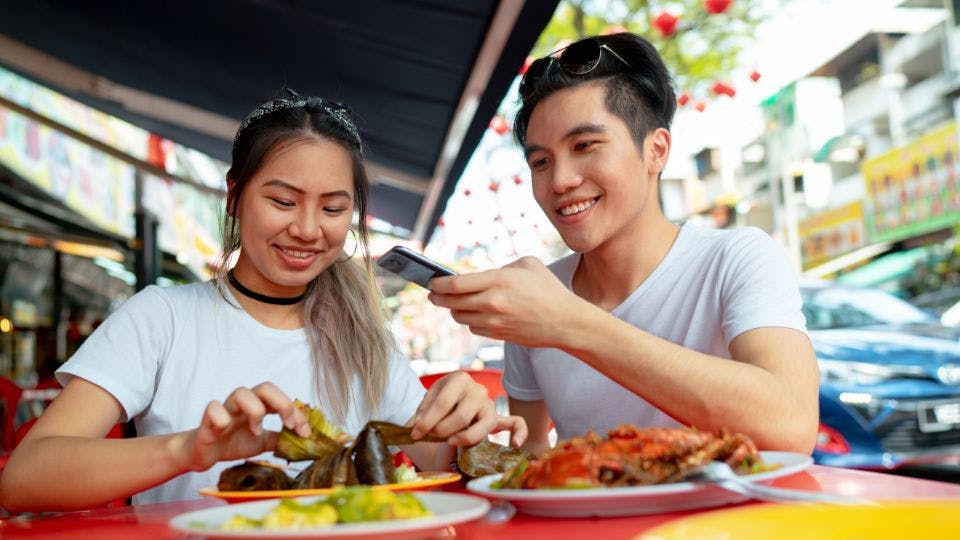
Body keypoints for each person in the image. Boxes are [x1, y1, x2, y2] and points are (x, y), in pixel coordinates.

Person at [0, 91, 525, 512]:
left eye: (333, 208)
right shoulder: (161, 318)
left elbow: (438, 455)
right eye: (282, 200)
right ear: (234, 195)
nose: (306, 229)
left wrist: (465, 425)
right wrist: (190, 450)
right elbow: (24, 480)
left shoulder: (363, 336)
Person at [427, 33, 818, 455]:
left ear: (655, 150)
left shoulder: (735, 257)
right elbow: (531, 451)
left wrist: (569, 323)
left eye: (585, 146)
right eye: (541, 162)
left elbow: (792, 424)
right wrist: (465, 434)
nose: (560, 181)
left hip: (725, 521)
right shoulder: (537, 291)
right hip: (588, 517)